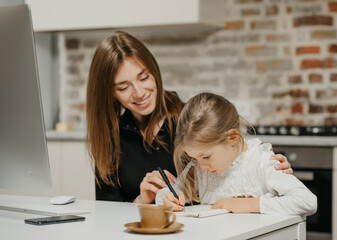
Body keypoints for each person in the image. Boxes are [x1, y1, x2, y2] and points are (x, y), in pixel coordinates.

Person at [86, 31, 293, 204]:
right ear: (109, 93)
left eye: (144, 77)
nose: (139, 92)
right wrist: (141, 200)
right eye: (123, 87)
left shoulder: (191, 122)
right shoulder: (111, 137)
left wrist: (268, 168)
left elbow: (238, 163)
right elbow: (107, 213)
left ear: (154, 71)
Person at [156, 92, 317, 216]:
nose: (201, 165)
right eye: (194, 158)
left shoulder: (260, 160)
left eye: (206, 156)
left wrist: (251, 205)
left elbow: (307, 201)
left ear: (232, 138)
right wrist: (166, 198)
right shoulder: (200, 167)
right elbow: (171, 191)